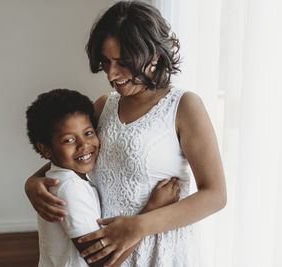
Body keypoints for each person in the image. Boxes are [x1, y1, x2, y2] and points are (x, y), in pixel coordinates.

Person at [25, 1, 227, 266]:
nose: (111, 73)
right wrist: (31, 183)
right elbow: (68, 160)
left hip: (161, 250)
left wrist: (140, 225)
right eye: (106, 61)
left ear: (154, 54)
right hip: (108, 252)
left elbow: (215, 195)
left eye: (123, 62)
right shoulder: (102, 105)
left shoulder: (184, 106)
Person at [26, 88, 181, 267]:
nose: (84, 145)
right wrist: (152, 210)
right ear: (45, 149)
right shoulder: (70, 189)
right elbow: (102, 262)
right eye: (69, 140)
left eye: (88, 133)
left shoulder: (67, 180)